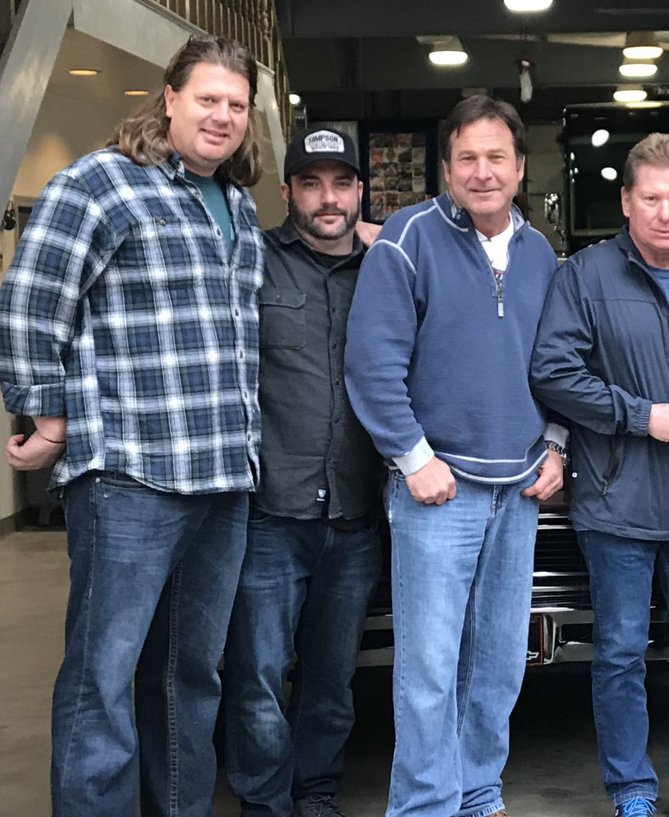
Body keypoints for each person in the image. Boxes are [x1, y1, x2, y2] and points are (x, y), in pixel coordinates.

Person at [0, 34, 263, 817]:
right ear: (170, 97)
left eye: (237, 105)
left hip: (223, 476)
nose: (222, 116)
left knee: (191, 675)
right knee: (103, 676)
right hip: (131, 478)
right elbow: (30, 300)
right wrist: (46, 410)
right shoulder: (102, 183)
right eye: (208, 98)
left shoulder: (239, 203)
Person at [344, 95, 565, 817]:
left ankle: (477, 794)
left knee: (499, 663)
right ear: (445, 169)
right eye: (466, 157)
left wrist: (557, 444)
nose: (482, 171)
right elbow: (372, 364)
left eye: (496, 156)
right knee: (430, 668)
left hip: (518, 488)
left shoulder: (540, 253)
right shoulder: (407, 239)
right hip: (437, 490)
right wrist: (413, 458)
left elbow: (560, 362)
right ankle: (424, 805)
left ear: (520, 166)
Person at [530, 133, 669, 817]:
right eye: (650, 197)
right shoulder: (585, 276)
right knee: (622, 653)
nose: (664, 211)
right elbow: (554, 372)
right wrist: (641, 417)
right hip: (616, 501)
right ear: (626, 201)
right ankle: (631, 789)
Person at [221, 126, 383, 817]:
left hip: (356, 511)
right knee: (256, 675)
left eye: (341, 182)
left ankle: (316, 790)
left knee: (332, 676)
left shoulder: (389, 267)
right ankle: (264, 800)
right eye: (311, 182)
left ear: (359, 191)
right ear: (286, 190)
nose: (327, 198)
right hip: (270, 510)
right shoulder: (247, 259)